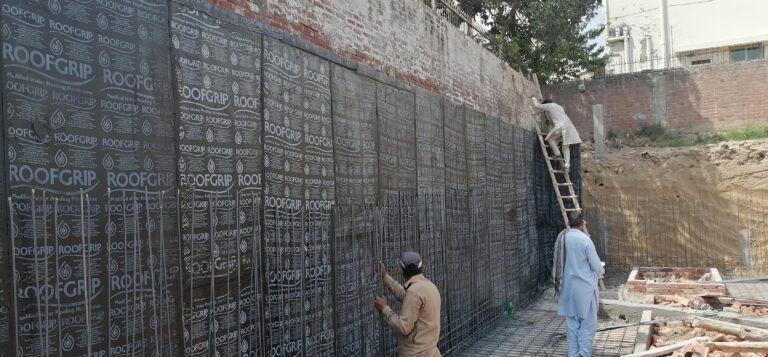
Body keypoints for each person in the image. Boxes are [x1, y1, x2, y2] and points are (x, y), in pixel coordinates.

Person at [552, 212, 604, 357]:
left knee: (572, 324)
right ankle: (584, 354)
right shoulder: (585, 240)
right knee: (587, 325)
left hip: (567, 287)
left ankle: (573, 354)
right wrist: (601, 271)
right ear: (582, 224)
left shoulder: (563, 237)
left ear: (569, 223)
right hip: (585, 289)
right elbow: (596, 265)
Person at [374, 252, 441, 357]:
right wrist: (385, 277)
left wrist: (384, 308)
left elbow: (404, 327)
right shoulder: (430, 287)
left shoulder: (414, 292)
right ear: (423, 268)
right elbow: (406, 296)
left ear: (401, 270)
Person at [531, 97, 582, 171]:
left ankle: (557, 154)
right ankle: (567, 165)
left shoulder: (549, 105)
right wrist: (548, 121)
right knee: (565, 146)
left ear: (546, 104)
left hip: (562, 126)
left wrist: (533, 98)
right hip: (569, 126)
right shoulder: (558, 107)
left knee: (550, 139)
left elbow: (537, 105)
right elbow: (554, 118)